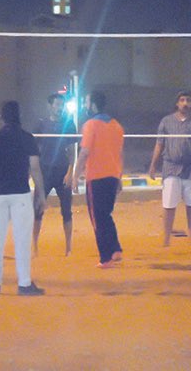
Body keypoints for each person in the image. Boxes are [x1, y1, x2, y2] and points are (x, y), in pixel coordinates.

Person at [0, 101, 46, 296]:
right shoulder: (27, 138)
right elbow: (35, 168)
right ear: (19, 116)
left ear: (2, 117)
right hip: (21, 194)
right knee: (22, 240)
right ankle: (24, 283)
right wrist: (41, 194)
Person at [65, 91, 124, 268]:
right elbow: (120, 154)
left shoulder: (90, 125)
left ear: (93, 105)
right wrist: (120, 177)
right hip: (112, 176)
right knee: (106, 214)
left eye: (86, 102)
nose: (85, 105)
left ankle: (105, 258)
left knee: (98, 218)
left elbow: (84, 152)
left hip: (96, 177)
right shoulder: (116, 125)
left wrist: (75, 176)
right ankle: (115, 249)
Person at [148, 91, 191, 246]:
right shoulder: (166, 121)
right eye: (182, 100)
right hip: (171, 168)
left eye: (188, 100)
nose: (185, 103)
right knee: (169, 206)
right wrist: (153, 165)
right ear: (177, 103)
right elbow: (159, 144)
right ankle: (166, 240)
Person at [32, 93, 77, 256]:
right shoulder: (41, 125)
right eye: (57, 105)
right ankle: (35, 247)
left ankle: (68, 248)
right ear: (50, 106)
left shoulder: (69, 124)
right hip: (45, 172)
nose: (60, 108)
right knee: (37, 210)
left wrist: (70, 172)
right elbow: (35, 151)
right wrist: (35, 172)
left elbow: (72, 151)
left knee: (66, 210)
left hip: (62, 171)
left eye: (61, 105)